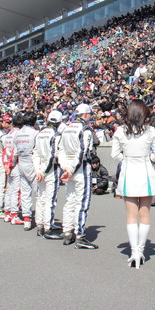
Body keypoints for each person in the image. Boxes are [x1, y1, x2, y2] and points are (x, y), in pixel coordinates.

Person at [111, 99, 155, 268]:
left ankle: (134, 251)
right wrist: (147, 159)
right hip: (145, 172)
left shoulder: (120, 131)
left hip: (128, 172)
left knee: (131, 215)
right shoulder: (151, 131)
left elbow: (115, 154)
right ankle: (141, 250)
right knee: (145, 213)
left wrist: (126, 159)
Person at [58, 103, 98, 249]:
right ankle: (80, 235)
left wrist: (65, 167)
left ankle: (67, 231)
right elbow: (83, 152)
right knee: (82, 202)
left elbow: (60, 149)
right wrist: (72, 169)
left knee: (69, 200)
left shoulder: (67, 128)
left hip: (68, 168)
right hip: (80, 169)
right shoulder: (85, 129)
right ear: (86, 114)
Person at [32, 110, 64, 239]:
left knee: (40, 198)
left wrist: (38, 170)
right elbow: (53, 155)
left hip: (40, 167)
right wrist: (44, 171)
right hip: (51, 169)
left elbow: (35, 153)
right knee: (50, 199)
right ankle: (48, 227)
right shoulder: (56, 135)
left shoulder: (39, 133)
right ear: (60, 122)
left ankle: (40, 224)